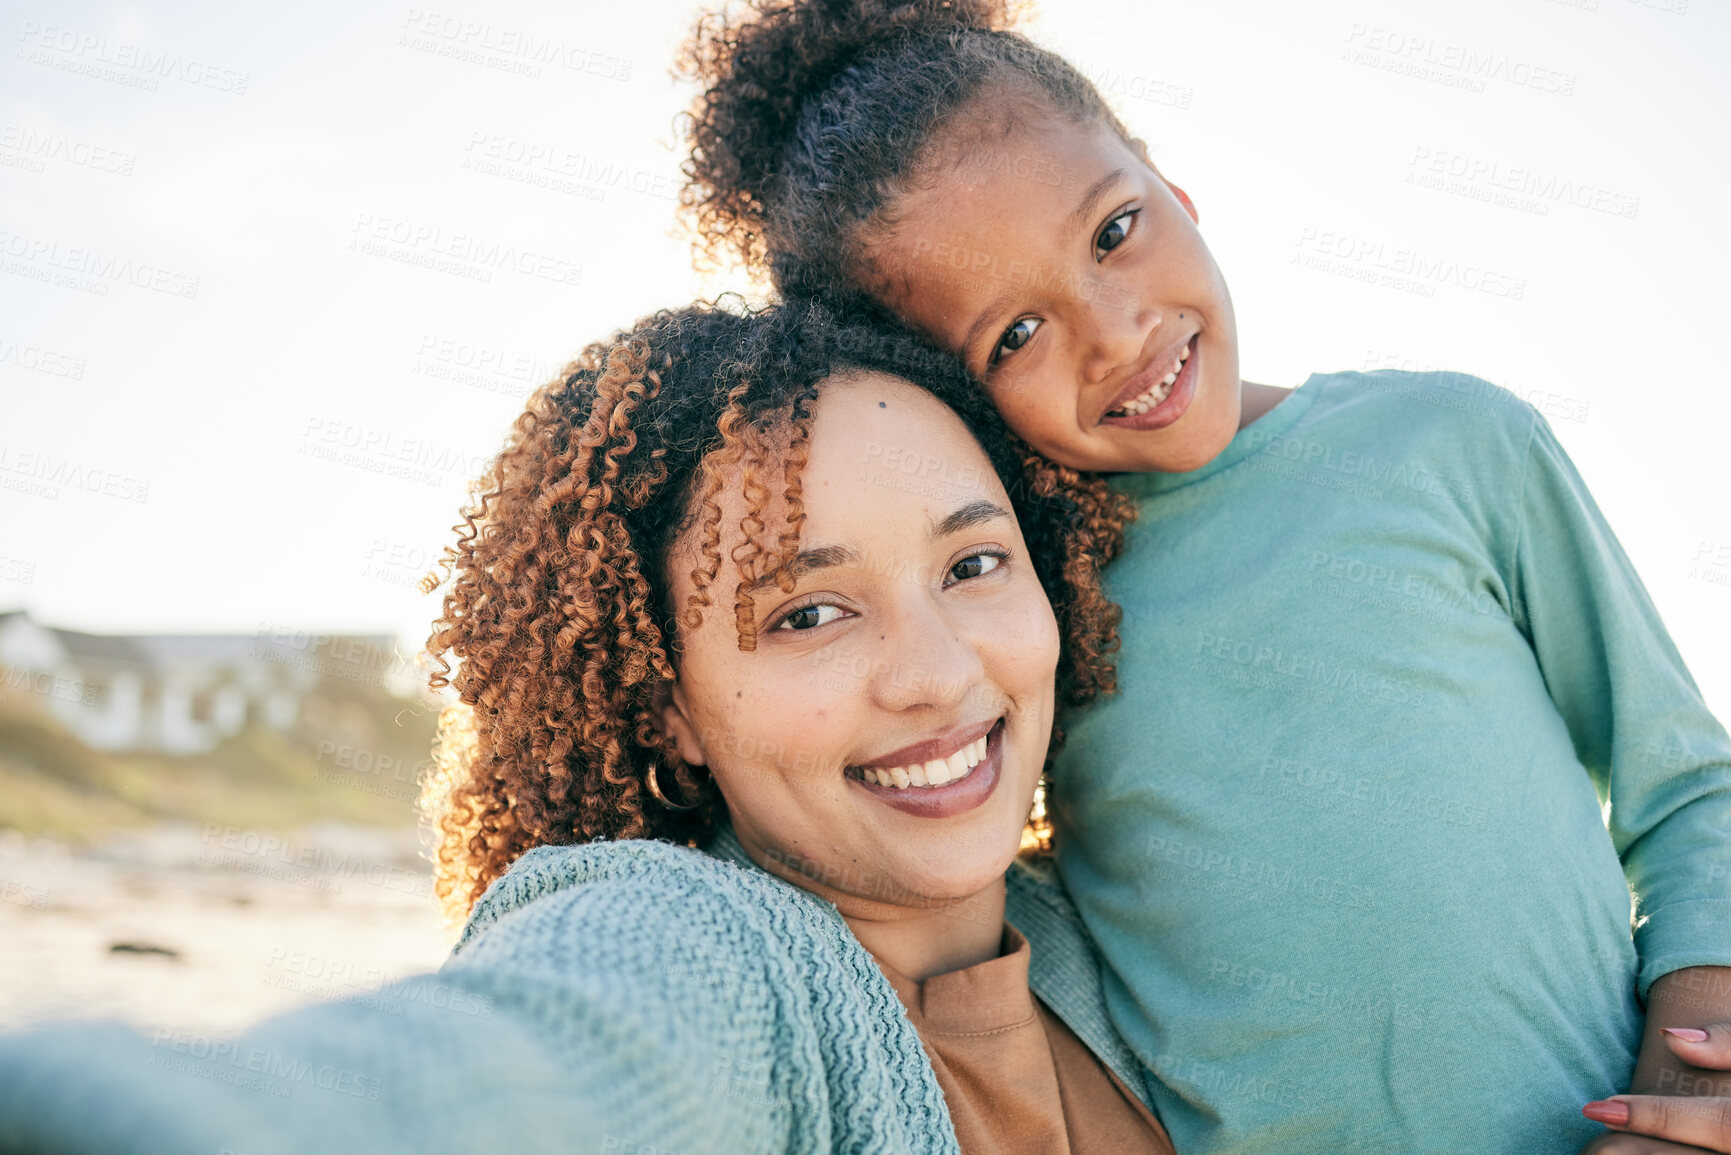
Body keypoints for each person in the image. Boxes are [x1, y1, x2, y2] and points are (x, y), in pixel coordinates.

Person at [675, 3, 1731, 1151]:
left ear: (1170, 183)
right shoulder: (1018, 608)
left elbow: (1686, 786)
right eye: (1016, 334)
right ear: (952, 396)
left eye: (1115, 230)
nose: (1118, 331)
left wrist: (1694, 1080)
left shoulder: (1452, 444)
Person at [0, 299, 1175, 1155]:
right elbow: (511, 1072)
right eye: (810, 610)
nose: (932, 672)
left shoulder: (1134, 929)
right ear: (668, 703)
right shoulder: (703, 954)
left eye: (973, 563)